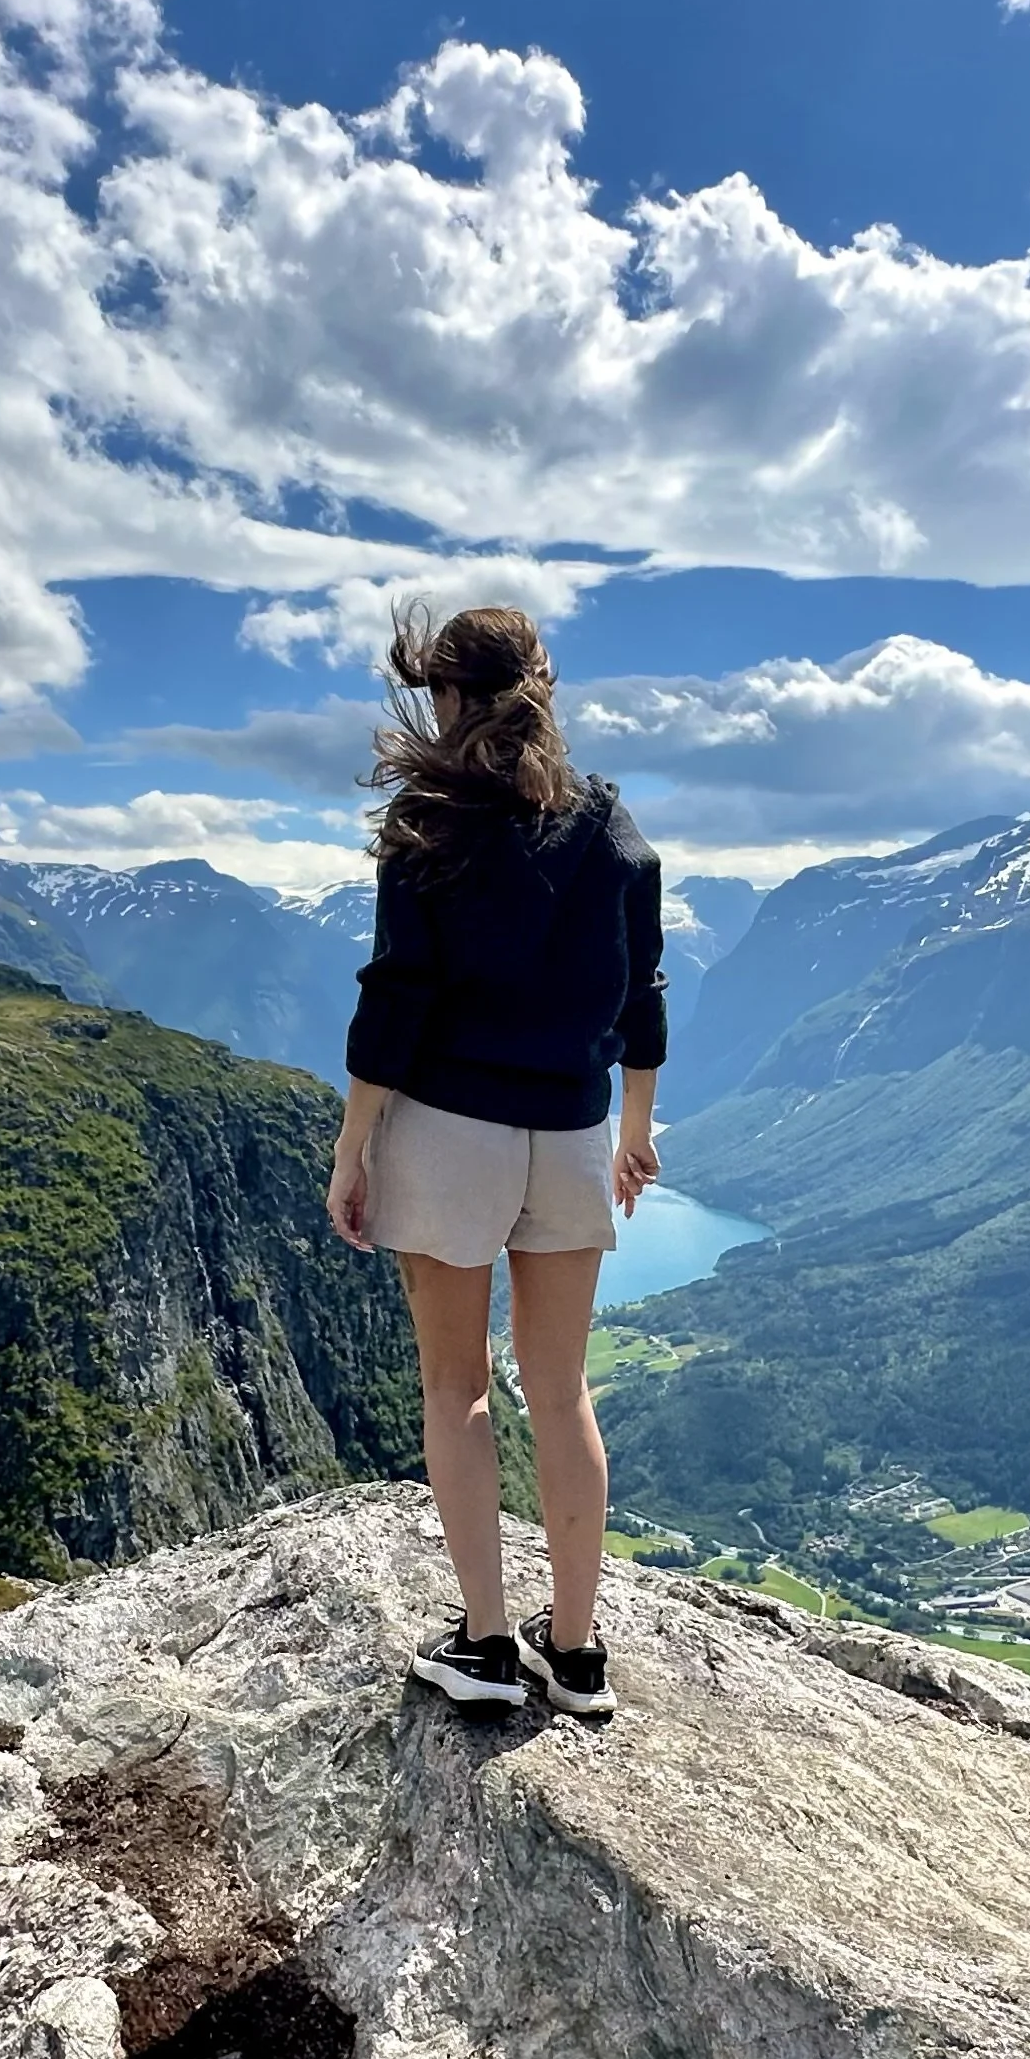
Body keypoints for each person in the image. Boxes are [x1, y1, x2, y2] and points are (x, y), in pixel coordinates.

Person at [326, 604, 666, 1721]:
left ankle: (482, 1645)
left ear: (452, 696)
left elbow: (397, 997)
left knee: (457, 1388)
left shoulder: (432, 821)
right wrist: (633, 1128)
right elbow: (641, 993)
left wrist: (354, 1142)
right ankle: (576, 1654)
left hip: (450, 1127)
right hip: (569, 1133)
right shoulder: (610, 828)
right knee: (562, 1391)